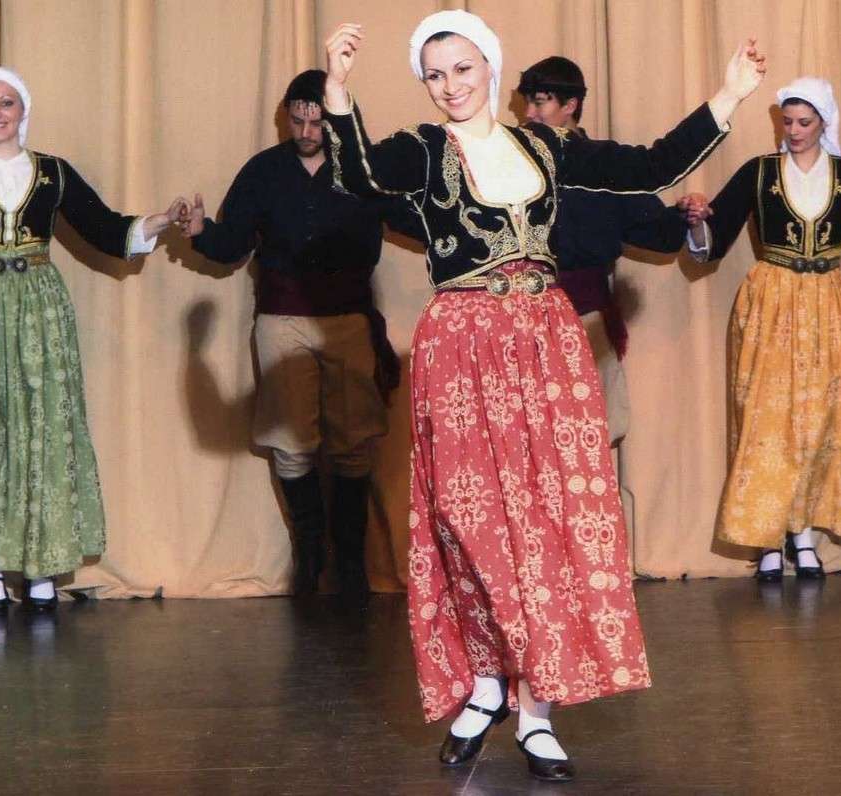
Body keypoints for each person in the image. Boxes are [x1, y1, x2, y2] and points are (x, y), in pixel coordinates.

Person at [318, 10, 764, 781]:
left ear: (491, 68)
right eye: (434, 74)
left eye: (463, 69)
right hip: (462, 342)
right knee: (469, 523)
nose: (450, 85)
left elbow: (651, 166)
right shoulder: (423, 150)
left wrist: (728, 95)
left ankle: (536, 712)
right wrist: (337, 90)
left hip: (546, 339)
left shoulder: (546, 145)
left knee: (548, 523)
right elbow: (359, 175)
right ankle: (486, 680)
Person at [0, 68, 185, 612]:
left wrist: (162, 220)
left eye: (6, 103)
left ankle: (41, 567)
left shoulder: (53, 173)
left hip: (39, 312)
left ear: (23, 110)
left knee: (42, 428)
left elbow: (105, 228)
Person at [682, 77, 841, 582]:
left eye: (805, 122)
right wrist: (697, 221)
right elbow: (713, 241)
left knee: (818, 421)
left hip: (826, 305)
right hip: (771, 303)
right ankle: (769, 538)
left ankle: (801, 534)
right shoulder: (759, 173)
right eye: (788, 121)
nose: (795, 130)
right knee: (767, 421)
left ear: (825, 122)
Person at [180, 69, 417, 597]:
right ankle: (310, 557)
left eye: (318, 122)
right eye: (298, 120)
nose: (307, 131)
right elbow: (231, 245)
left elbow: (411, 220)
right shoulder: (263, 171)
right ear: (286, 116)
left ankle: (351, 563)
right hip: (282, 318)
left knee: (355, 443)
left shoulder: (363, 169)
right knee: (290, 446)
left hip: (349, 319)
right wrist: (200, 233)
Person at [516, 56, 687, 449]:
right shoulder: (510, 165)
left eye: (539, 102)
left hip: (586, 321)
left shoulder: (601, 165)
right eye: (527, 103)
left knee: (590, 437)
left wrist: (686, 215)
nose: (528, 114)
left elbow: (661, 234)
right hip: (520, 324)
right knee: (528, 441)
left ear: (570, 105)